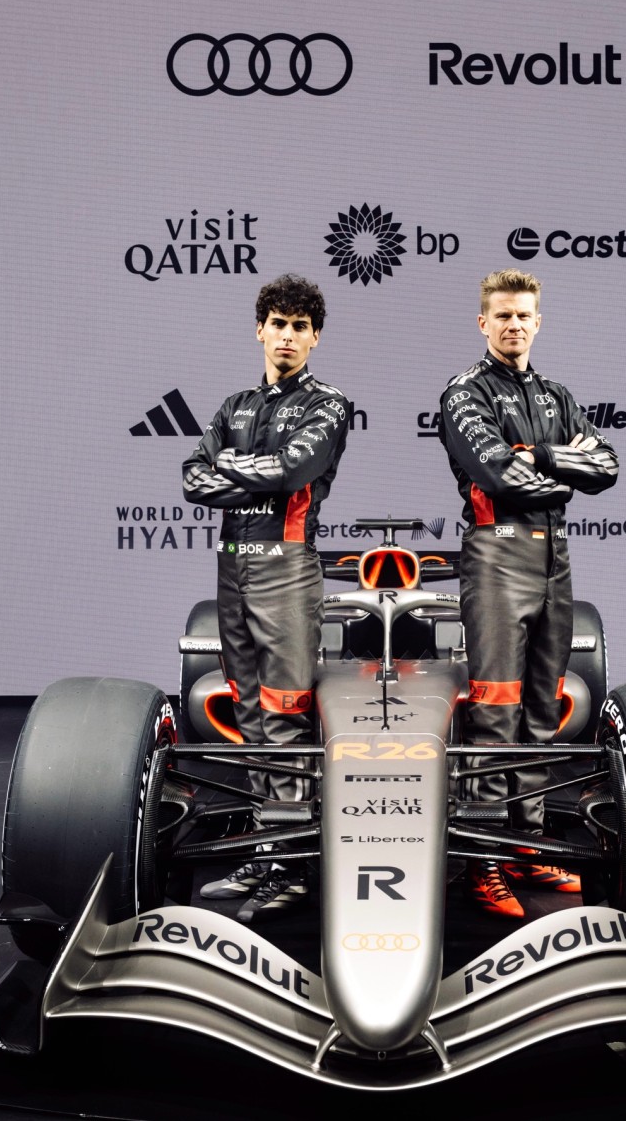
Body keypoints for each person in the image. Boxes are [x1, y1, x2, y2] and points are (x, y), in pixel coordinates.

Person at [439, 269, 619, 918]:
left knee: (542, 711)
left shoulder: (556, 395)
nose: (514, 325)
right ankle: (482, 862)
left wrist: (537, 456)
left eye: (523, 315)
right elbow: (499, 474)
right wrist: (561, 463)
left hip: (554, 559)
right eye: (503, 315)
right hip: (497, 556)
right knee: (495, 712)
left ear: (538, 322)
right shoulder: (464, 393)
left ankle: (527, 845)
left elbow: (606, 466)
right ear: (483, 323)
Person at [182, 273, 350, 922]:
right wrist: (249, 476)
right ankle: (265, 848)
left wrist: (232, 469)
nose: (286, 336)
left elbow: (290, 471)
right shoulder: (234, 406)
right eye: (277, 324)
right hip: (233, 568)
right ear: (260, 329)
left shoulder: (328, 405)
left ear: (315, 337)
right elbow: (193, 478)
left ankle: (294, 863)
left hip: (286, 567)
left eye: (299, 327)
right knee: (250, 714)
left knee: (284, 717)